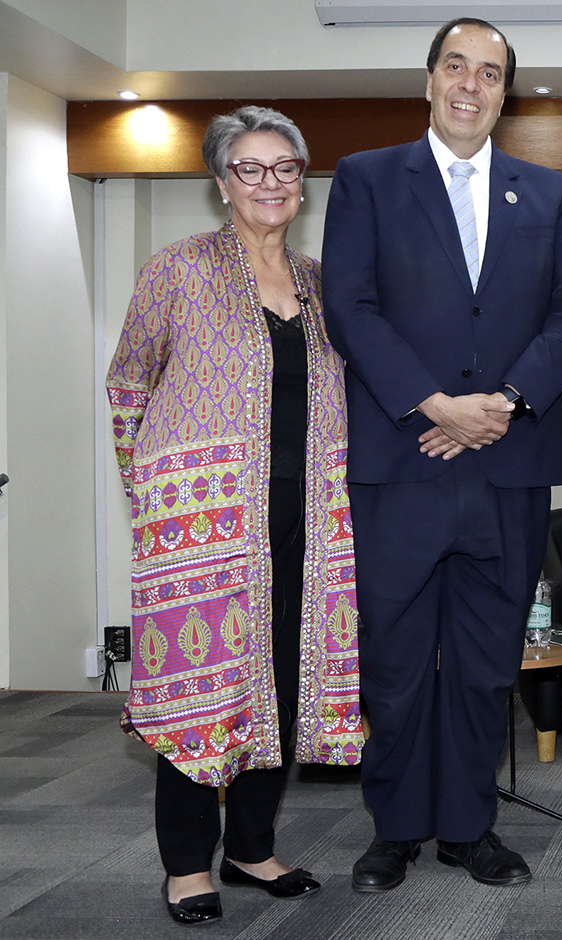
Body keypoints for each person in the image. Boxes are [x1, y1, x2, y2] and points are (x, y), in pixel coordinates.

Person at [322, 17, 562, 892]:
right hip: (402, 463)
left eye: (489, 72)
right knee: (394, 664)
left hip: (506, 468)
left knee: (484, 665)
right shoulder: (367, 179)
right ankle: (395, 829)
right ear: (429, 80)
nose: (471, 85)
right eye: (455, 67)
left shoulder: (547, 193)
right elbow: (351, 308)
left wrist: (505, 405)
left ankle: (471, 827)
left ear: (505, 92)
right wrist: (435, 403)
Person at [107, 105, 362, 925]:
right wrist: (147, 497)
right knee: (198, 685)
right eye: (251, 169)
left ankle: (251, 846)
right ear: (222, 183)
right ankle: (186, 863)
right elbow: (128, 384)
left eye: (286, 168)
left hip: (308, 516)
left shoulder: (323, 281)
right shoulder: (176, 269)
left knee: (282, 685)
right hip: (204, 525)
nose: (271, 183)